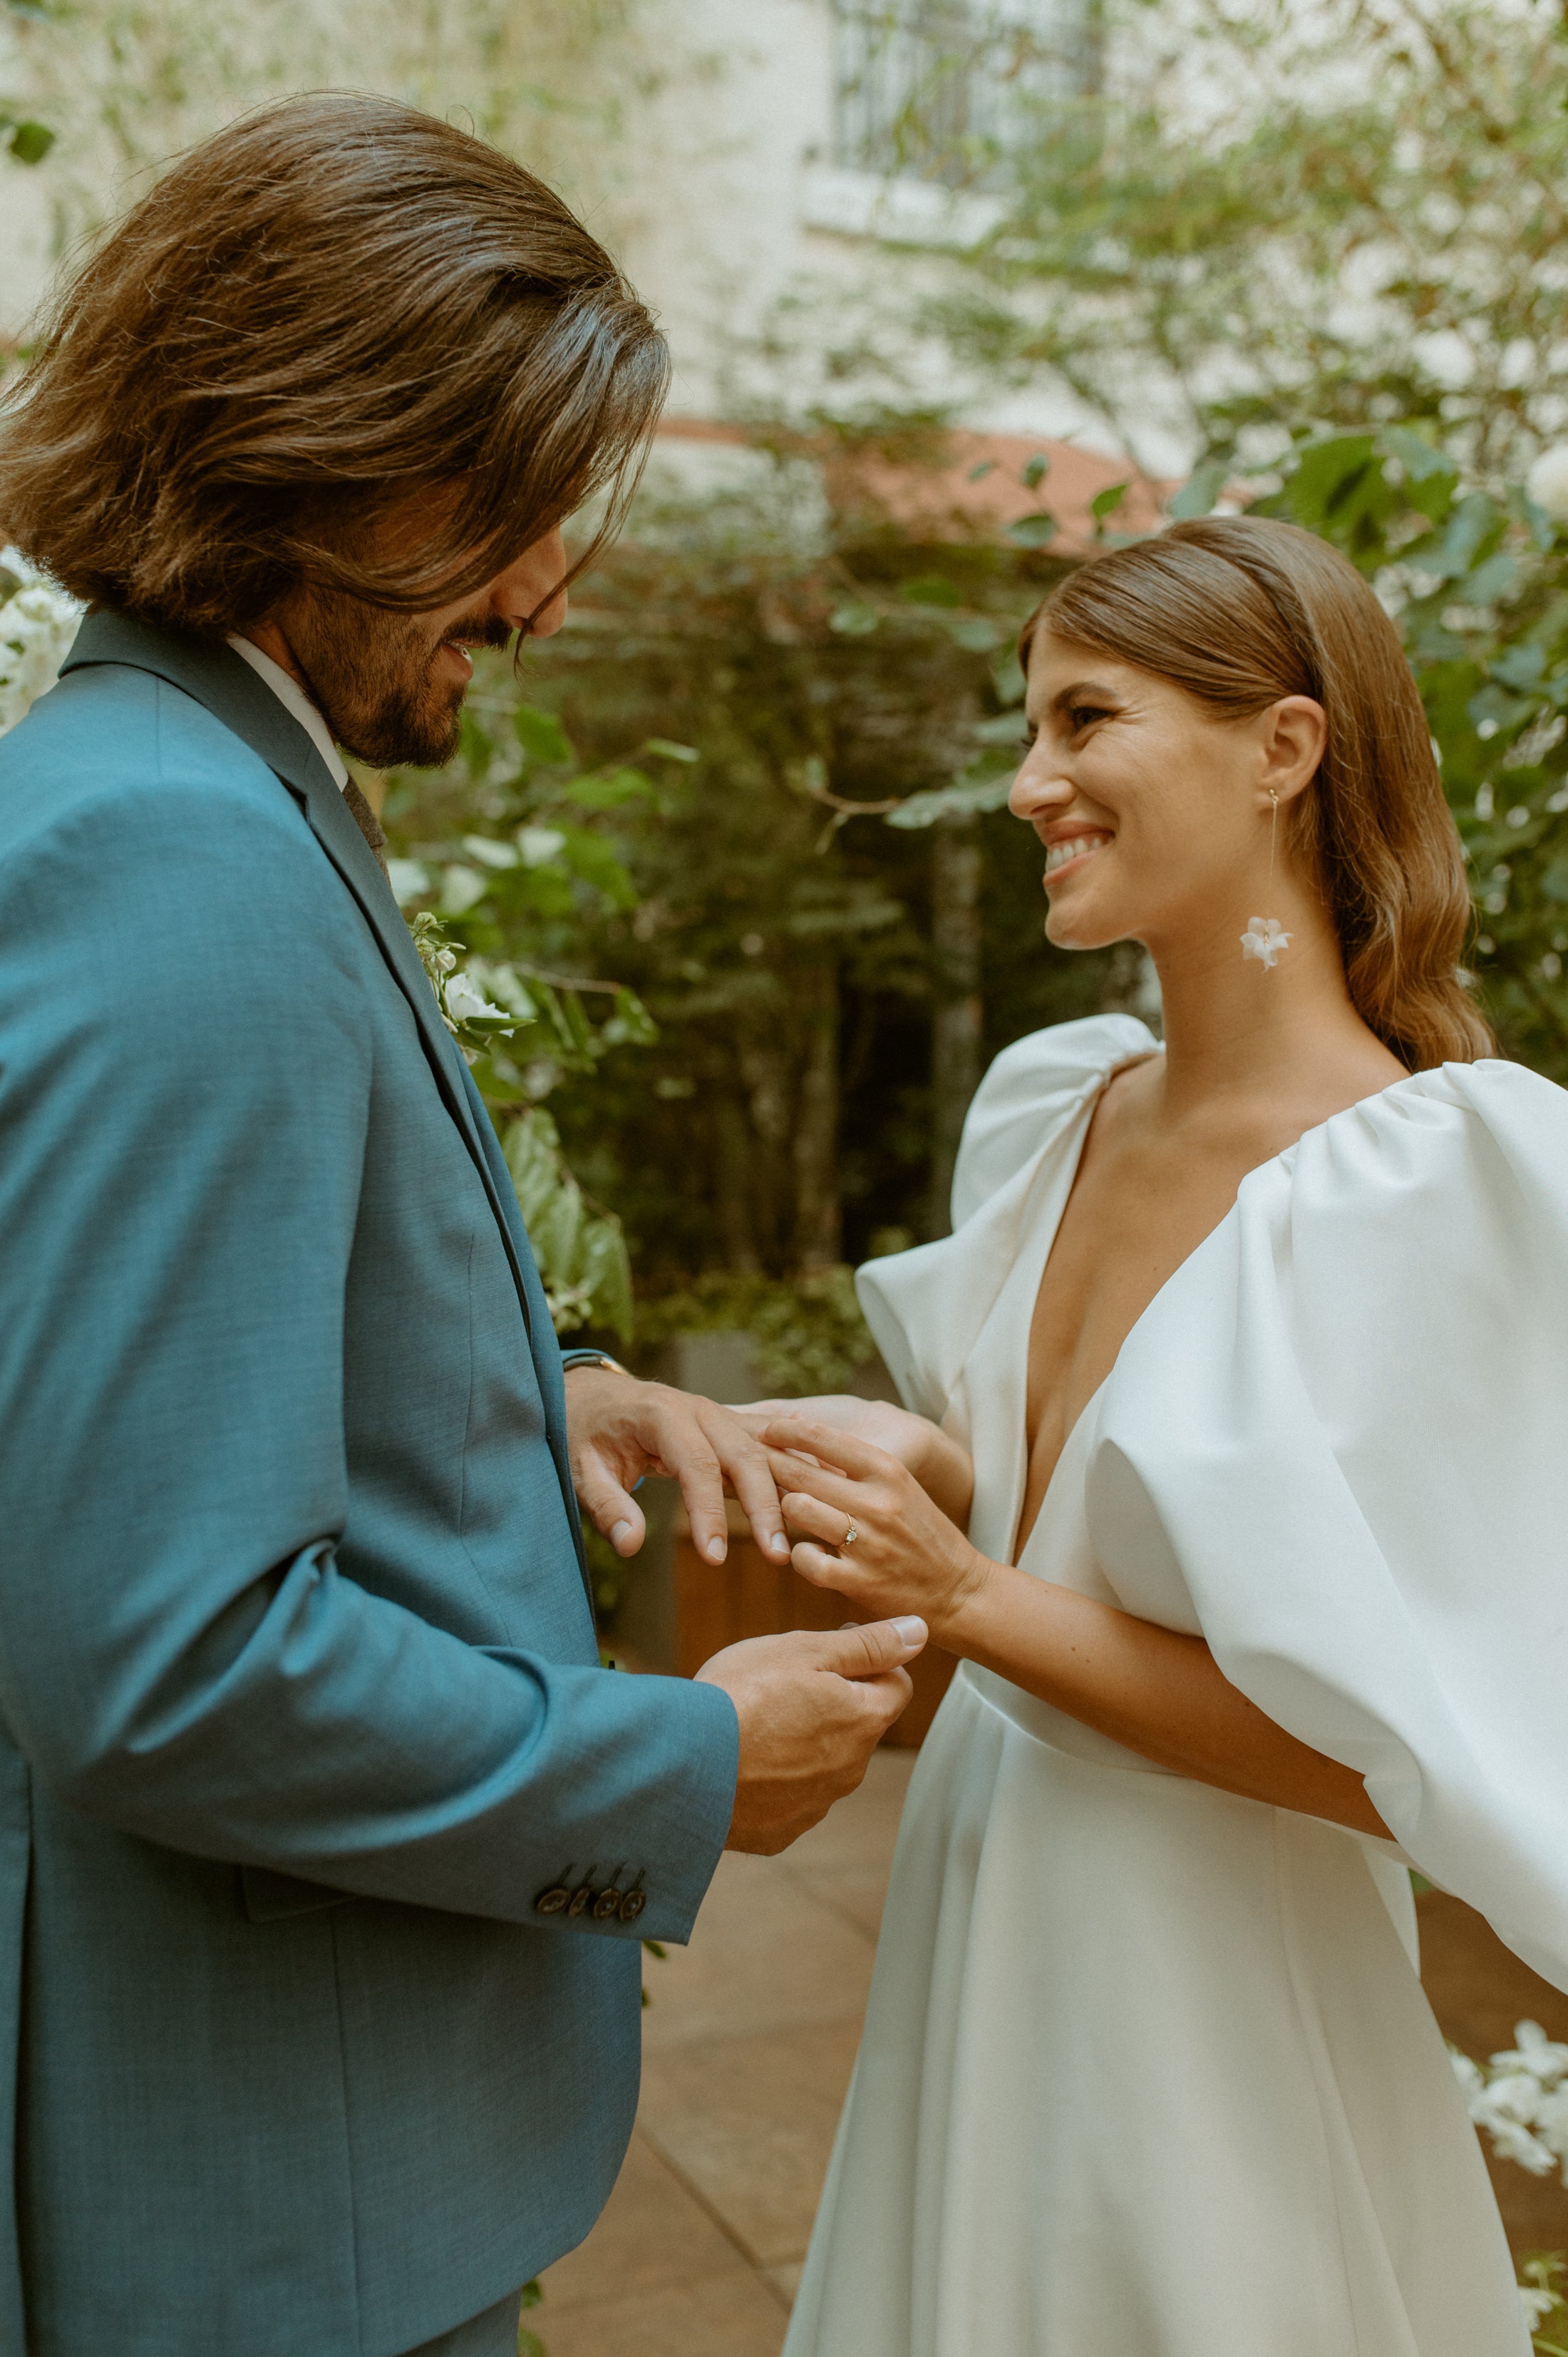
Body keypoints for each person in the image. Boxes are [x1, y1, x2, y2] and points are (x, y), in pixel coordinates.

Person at [0, 95, 927, 2357]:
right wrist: (690, 1765)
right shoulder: (181, 856)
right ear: (346, 459)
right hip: (269, 2229)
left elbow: (121, 1393)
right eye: (520, 513)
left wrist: (540, 1392)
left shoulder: (173, 782)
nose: (547, 596)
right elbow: (166, 1659)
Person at [746, 517, 1568, 2356]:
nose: (1027, 783)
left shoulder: (1437, 1186)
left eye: (1086, 719)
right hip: (981, 1912)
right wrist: (917, 1477)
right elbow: (1087, 1527)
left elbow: (1393, 1766)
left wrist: (964, 1594)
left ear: (1284, 748)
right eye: (1029, 726)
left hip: (1208, 2014)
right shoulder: (1054, 1112)